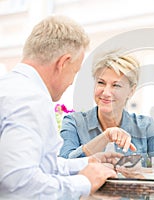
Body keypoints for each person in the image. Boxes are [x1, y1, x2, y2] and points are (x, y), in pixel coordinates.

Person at [0, 15, 123, 200]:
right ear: (63, 63)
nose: (72, 82)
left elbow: (39, 165)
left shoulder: (11, 87)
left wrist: (87, 163)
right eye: (75, 71)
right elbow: (19, 183)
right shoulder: (30, 99)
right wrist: (84, 182)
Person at [59, 52, 154, 174]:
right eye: (101, 83)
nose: (106, 92)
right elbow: (62, 167)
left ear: (131, 91)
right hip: (88, 194)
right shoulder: (74, 122)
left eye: (116, 85)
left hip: (132, 194)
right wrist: (105, 137)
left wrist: (141, 172)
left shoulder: (145, 126)